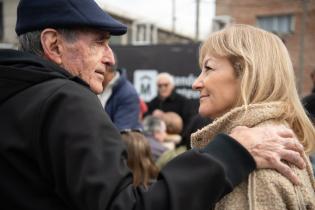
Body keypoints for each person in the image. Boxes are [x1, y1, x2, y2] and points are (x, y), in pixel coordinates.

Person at [0, 0, 307, 209]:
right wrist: (231, 154)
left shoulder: (17, 96)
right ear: (53, 44)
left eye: (208, 69)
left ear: (248, 75)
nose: (110, 58)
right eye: (100, 42)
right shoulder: (64, 99)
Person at [191, 24, 315, 209]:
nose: (196, 83)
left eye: (208, 68)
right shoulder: (268, 145)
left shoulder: (255, 169)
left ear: (245, 73)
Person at [146, 72, 195, 146]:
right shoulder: (153, 102)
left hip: (178, 140)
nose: (163, 88)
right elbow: (146, 121)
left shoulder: (183, 101)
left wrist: (180, 139)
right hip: (157, 141)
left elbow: (190, 122)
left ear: (172, 86)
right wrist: (153, 116)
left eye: (166, 85)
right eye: (160, 85)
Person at [98, 62, 142, 131]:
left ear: (108, 69)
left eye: (97, 69)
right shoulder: (95, 86)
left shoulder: (128, 94)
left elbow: (121, 132)